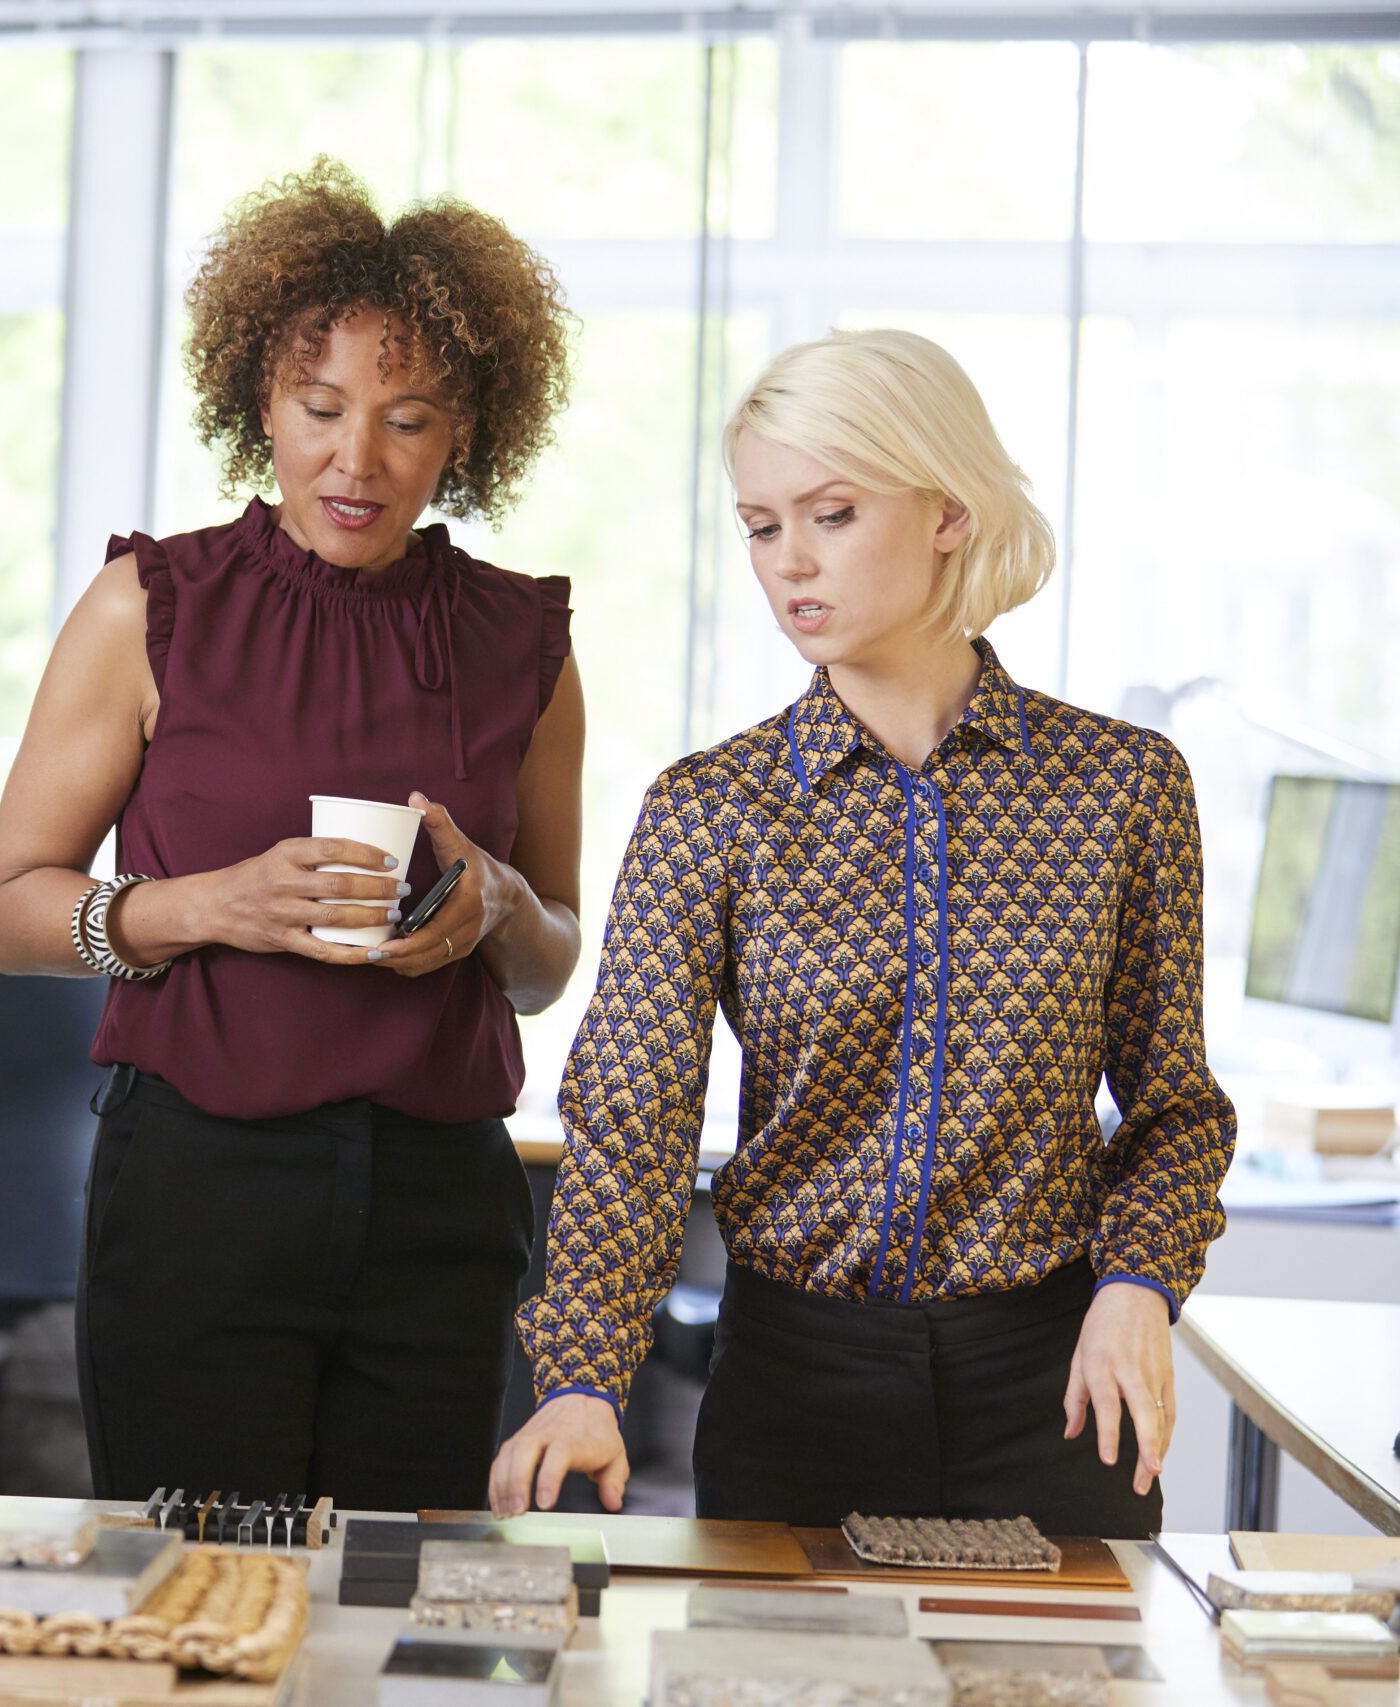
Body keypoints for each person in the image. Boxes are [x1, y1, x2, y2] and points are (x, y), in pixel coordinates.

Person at [491, 329, 1235, 1535]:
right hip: (796, 1391)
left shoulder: (1124, 787)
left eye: (830, 514)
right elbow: (634, 1113)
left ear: (947, 510)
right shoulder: (709, 810)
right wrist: (581, 1378)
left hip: (1052, 1391)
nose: (789, 562)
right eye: (760, 525)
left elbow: (1174, 1108)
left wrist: (1138, 1283)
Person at [0, 159, 586, 1511]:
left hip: (442, 1200)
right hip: (200, 1183)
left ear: (467, 431)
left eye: (408, 419)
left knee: (393, 1602)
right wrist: (206, 906)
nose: (355, 460)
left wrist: (497, 910)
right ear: (262, 399)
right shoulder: (151, 604)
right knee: (198, 1590)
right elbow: (11, 908)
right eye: (321, 408)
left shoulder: (522, 642)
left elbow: (550, 963)